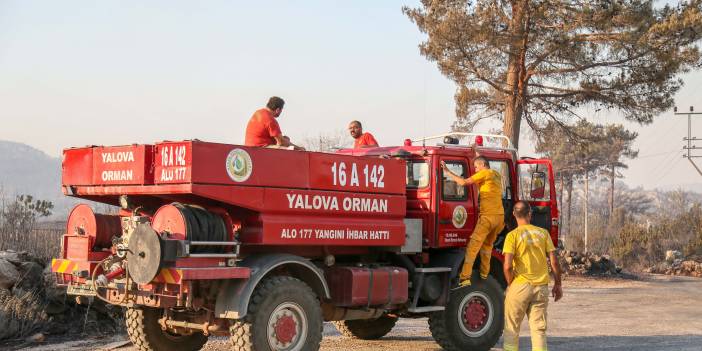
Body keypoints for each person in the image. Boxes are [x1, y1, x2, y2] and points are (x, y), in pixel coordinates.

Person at [502, 201, 563, 351]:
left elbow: (507, 266)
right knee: (539, 330)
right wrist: (558, 284)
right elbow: (554, 262)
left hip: (520, 286)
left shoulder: (512, 236)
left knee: (512, 330)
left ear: (514, 215)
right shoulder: (543, 233)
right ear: (530, 214)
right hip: (540, 288)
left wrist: (512, 284)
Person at [441, 156, 504, 287]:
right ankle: (484, 274)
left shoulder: (484, 173)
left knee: (472, 248)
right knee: (487, 246)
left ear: (482, 165)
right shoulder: (496, 174)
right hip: (499, 218)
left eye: (476, 167)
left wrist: (447, 172)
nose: (475, 170)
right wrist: (476, 151)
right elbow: (483, 161)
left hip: (487, 218)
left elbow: (463, 183)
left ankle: (464, 278)